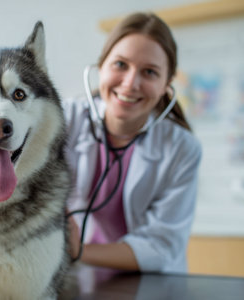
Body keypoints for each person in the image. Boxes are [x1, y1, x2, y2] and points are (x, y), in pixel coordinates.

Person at [64, 12, 202, 273]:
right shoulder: (66, 119)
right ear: (101, 66)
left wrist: (78, 250)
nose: (130, 83)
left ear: (166, 86)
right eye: (120, 65)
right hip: (85, 274)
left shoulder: (182, 149)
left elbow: (161, 246)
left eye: (149, 72)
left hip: (149, 280)